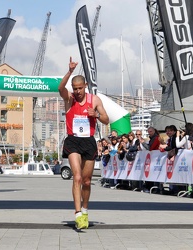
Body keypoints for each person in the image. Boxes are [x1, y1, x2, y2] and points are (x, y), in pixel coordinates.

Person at [59, 57, 109, 230]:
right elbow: (60, 88)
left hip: (88, 141)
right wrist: (70, 72)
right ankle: (78, 213)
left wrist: (95, 115)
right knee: (77, 177)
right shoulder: (69, 99)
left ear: (85, 86)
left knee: (87, 181)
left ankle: (85, 209)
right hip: (73, 140)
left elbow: (106, 119)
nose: (78, 92)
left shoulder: (94, 100)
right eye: (75, 89)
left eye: (80, 88)